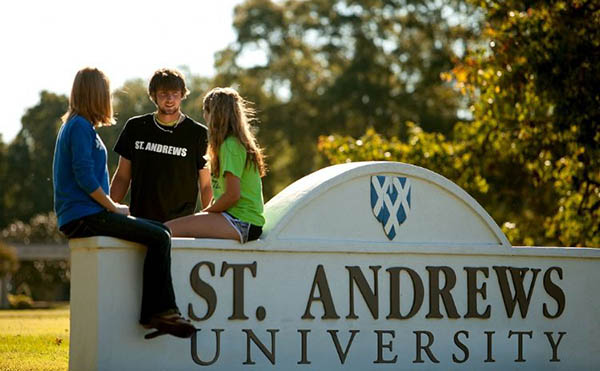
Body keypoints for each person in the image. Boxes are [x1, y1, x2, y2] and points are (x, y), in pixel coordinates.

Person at [53, 67, 195, 339]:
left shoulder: (75, 125)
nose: (109, 97)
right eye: (106, 91)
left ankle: (157, 313)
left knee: (159, 231)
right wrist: (111, 206)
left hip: (81, 215)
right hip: (85, 216)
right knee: (159, 235)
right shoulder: (80, 126)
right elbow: (83, 176)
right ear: (96, 93)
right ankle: (160, 312)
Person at [110, 68, 211, 223]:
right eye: (164, 93)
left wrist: (206, 222)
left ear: (182, 94)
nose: (170, 99)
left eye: (175, 93)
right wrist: (109, 210)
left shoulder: (197, 133)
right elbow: (123, 176)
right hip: (141, 221)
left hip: (180, 224)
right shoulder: (135, 127)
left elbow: (206, 185)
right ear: (154, 95)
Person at [166, 87, 266, 243]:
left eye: (205, 111)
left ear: (214, 114)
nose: (204, 116)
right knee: (169, 228)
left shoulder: (231, 145)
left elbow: (233, 195)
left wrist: (206, 212)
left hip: (242, 222)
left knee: (165, 230)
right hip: (234, 218)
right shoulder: (229, 144)